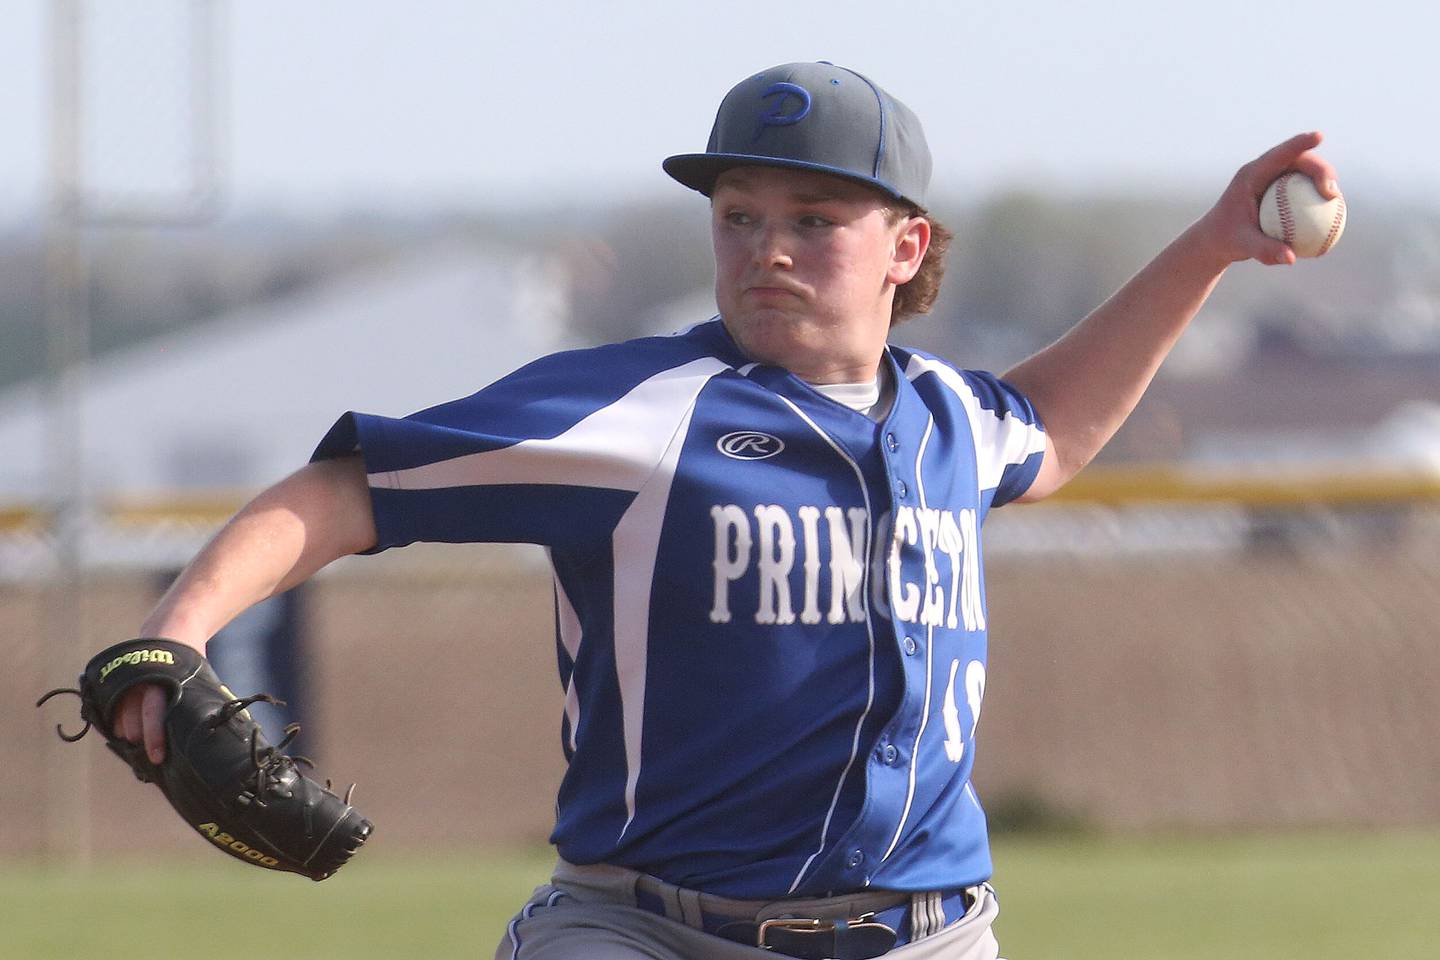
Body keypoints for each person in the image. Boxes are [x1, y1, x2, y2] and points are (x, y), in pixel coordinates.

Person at [109, 62, 1338, 959]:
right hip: (646, 933)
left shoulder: (952, 420)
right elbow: (344, 494)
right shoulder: (637, 411)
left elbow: (1055, 429)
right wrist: (180, 633)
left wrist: (1214, 243)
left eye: (815, 220)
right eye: (740, 215)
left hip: (927, 935)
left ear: (907, 248)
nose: (769, 249)